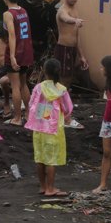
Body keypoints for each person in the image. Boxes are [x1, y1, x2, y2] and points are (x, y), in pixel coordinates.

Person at [25, 58, 74, 197]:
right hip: (53, 128)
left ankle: (43, 186)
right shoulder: (61, 90)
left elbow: (31, 104)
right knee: (51, 160)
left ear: (44, 71)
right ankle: (51, 189)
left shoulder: (38, 87)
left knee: (40, 158)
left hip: (39, 126)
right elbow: (67, 109)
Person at [2, 0, 33, 126]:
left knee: (15, 85)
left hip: (16, 51)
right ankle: (28, 113)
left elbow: (12, 35)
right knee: (24, 83)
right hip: (26, 50)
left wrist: (12, 56)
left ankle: (17, 118)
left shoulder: (8, 14)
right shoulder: (24, 11)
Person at [93, 55, 111, 194]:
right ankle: (103, 184)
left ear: (108, 68)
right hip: (107, 121)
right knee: (107, 153)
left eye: (102, 66)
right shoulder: (109, 82)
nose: (100, 69)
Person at [55, 0, 88, 88]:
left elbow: (77, 36)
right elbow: (65, 18)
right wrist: (75, 20)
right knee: (63, 79)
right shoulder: (62, 10)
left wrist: (82, 56)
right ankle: (58, 103)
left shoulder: (75, 10)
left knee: (69, 79)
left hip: (72, 50)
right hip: (63, 49)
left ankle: (63, 102)